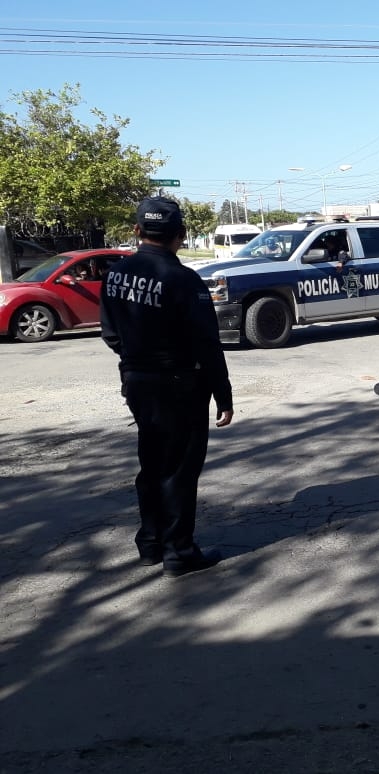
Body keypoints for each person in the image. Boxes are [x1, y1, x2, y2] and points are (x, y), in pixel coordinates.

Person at [101, 197, 234, 578]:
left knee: (152, 463)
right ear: (181, 235)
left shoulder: (116, 273)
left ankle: (150, 543)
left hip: (138, 382)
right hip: (179, 385)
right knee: (179, 470)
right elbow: (207, 343)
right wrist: (222, 394)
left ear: (137, 231)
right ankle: (179, 552)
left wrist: (135, 361)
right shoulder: (182, 279)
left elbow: (111, 333)